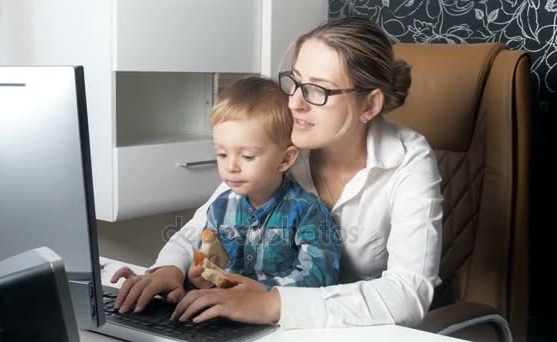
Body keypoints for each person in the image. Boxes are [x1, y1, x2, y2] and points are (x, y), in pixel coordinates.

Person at [111, 16, 443, 329]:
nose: (295, 103)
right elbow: (204, 223)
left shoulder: (408, 160)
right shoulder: (284, 141)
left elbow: (408, 294)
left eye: (318, 90)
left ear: (369, 105)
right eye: (296, 82)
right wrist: (169, 267)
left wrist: (272, 304)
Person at [187, 76, 340, 291]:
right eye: (221, 154)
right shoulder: (220, 208)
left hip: (284, 319)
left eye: (248, 156)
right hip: (228, 315)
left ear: (285, 160)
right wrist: (202, 277)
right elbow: (207, 262)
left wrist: (262, 292)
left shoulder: (307, 212)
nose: (231, 166)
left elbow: (320, 276)